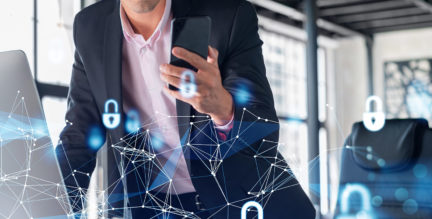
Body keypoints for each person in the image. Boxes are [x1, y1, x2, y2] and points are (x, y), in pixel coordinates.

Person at [56, 0, 315, 218]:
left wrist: (223, 109)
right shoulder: (89, 27)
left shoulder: (229, 15)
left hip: (238, 200)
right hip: (149, 205)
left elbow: (263, 131)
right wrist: (48, 208)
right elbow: (78, 138)